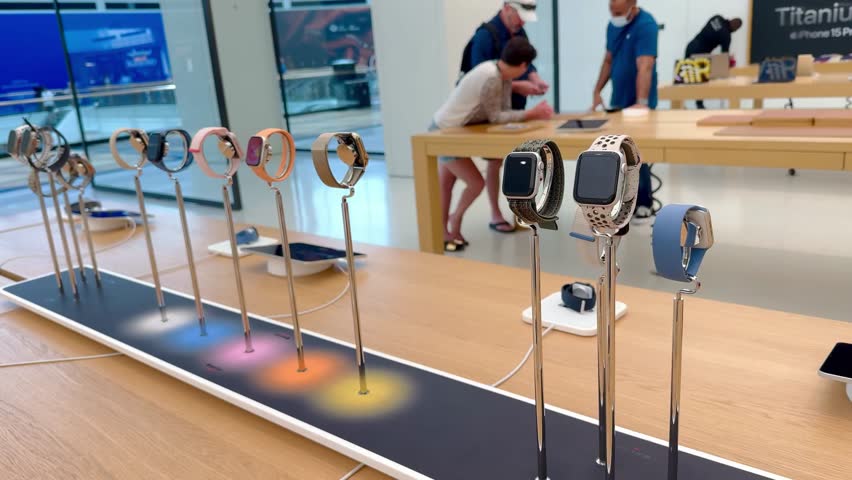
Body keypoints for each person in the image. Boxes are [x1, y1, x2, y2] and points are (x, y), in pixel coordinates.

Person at [432, 37, 554, 252]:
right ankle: (454, 219)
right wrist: (531, 113)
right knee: (474, 183)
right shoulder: (492, 78)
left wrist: (527, 111)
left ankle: (445, 232)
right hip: (445, 132)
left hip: (450, 129)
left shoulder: (499, 73)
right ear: (523, 65)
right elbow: (496, 117)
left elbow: (502, 111)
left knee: (447, 185)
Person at [591, 0, 659, 220]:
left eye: (619, 11)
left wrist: (641, 102)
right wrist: (597, 90)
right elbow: (608, 60)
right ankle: (619, 200)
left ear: (632, 5)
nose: (615, 15)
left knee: (638, 152)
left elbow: (645, 64)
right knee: (616, 152)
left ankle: (644, 201)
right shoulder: (613, 25)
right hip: (618, 100)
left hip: (640, 104)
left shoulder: (646, 24)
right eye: (612, 11)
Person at [465, 0, 549, 110]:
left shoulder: (520, 32)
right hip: (488, 112)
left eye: (525, 19)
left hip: (515, 110)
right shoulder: (484, 36)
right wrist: (516, 87)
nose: (522, 23)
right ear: (507, 8)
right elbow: (480, 81)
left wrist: (535, 79)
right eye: (520, 17)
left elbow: (526, 62)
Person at [685, 16, 742, 109]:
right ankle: (699, 105)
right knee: (702, 82)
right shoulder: (726, 36)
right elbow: (724, 57)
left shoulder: (717, 18)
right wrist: (730, 62)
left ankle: (678, 101)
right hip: (700, 54)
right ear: (735, 29)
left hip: (690, 46)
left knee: (684, 76)